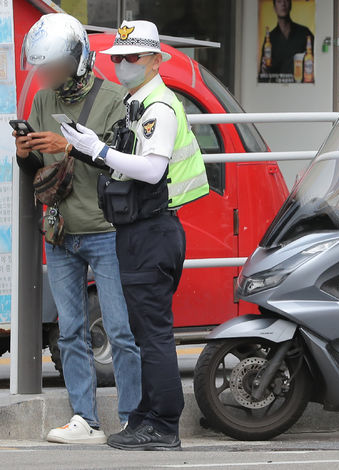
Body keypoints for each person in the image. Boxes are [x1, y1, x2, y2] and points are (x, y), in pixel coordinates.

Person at [62, 19, 209, 451]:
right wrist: (91, 148)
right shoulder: (136, 103)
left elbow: (153, 169)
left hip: (153, 231)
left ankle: (162, 426)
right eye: (117, 58)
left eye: (131, 58)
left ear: (154, 61)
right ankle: (145, 417)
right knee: (144, 332)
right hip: (140, 230)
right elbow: (128, 166)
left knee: (153, 334)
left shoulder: (158, 107)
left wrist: (100, 150)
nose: (121, 65)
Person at [14, 13, 141, 445]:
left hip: (106, 229)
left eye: (54, 68)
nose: (48, 77)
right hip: (60, 231)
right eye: (43, 69)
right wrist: (26, 150)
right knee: (70, 331)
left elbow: (120, 164)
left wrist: (68, 145)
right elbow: (36, 168)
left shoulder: (114, 99)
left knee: (120, 330)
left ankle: (132, 416)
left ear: (78, 60)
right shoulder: (43, 101)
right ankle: (83, 418)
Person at [261, 0, 314, 78]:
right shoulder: (270, 39)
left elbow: (318, 63)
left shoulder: (305, 33)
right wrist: (264, 71)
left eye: (286, 0)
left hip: (302, 87)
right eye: (279, 1)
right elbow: (262, 75)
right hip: (276, 88)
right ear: (274, 8)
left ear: (291, 5)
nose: (283, 4)